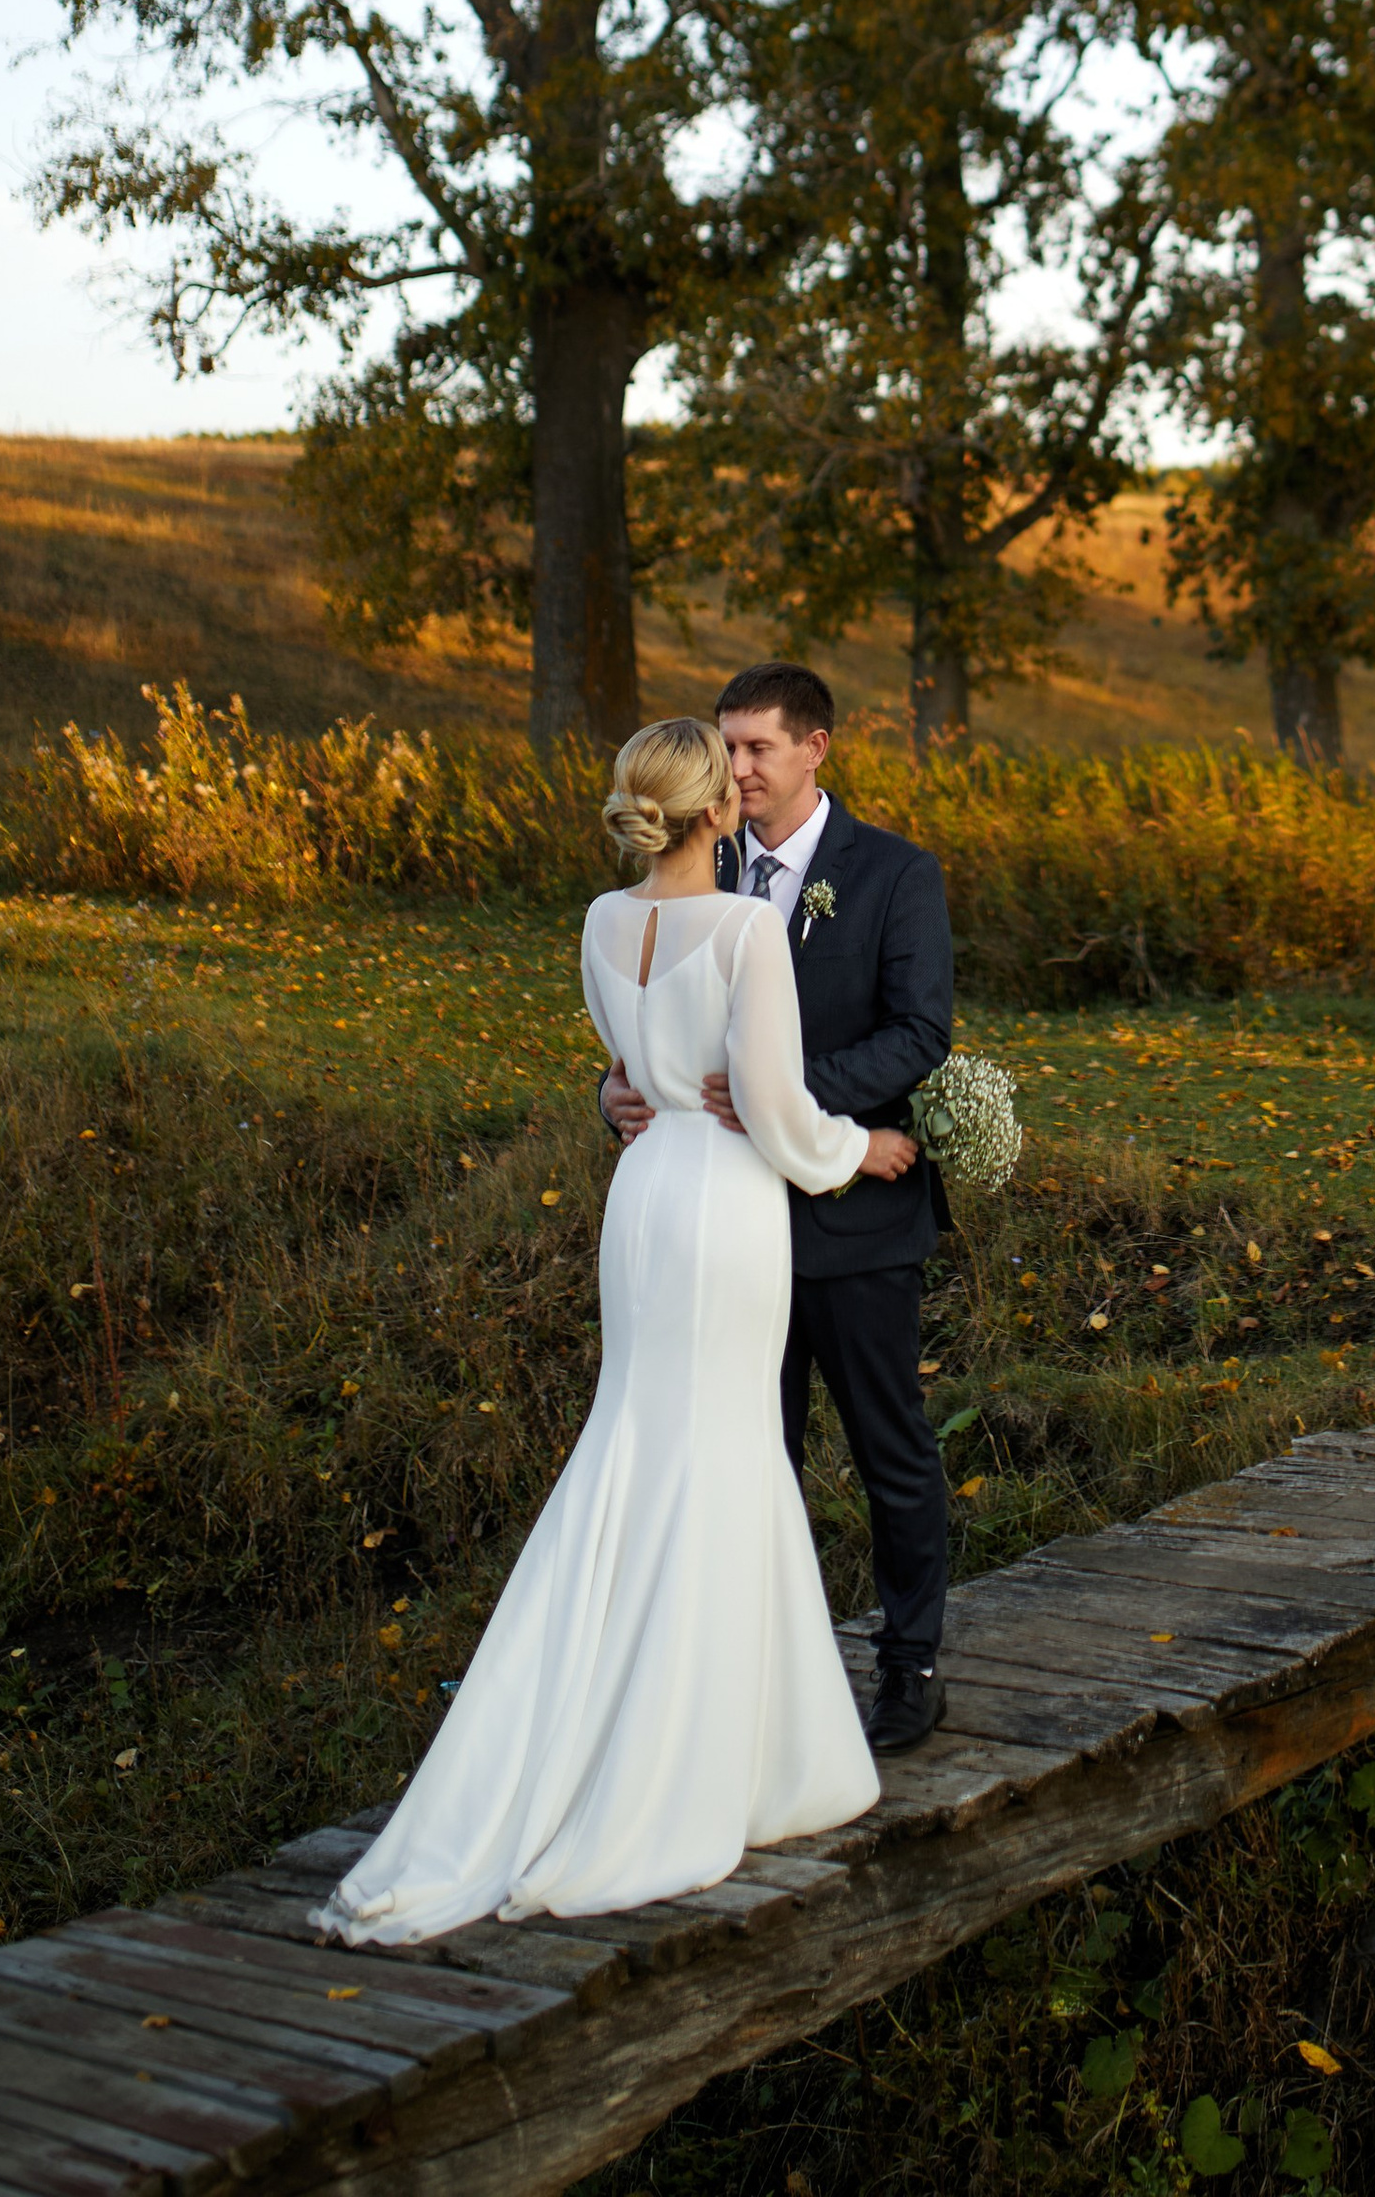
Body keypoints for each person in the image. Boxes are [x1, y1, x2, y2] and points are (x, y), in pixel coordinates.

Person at [312, 718, 914, 1942]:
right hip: (724, 1204)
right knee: (720, 1453)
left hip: (640, 1204)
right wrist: (870, 1148)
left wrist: (615, 1091)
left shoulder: (599, 922)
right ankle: (698, 1763)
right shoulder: (748, 930)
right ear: (717, 814)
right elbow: (777, 1113)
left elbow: (630, 1072)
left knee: (641, 1445)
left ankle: (672, 1733)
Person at [600, 662, 956, 1754]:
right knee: (751, 1458)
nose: (739, 768)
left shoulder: (893, 874)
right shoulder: (689, 879)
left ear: (817, 750)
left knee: (888, 1449)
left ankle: (910, 1665)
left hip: (848, 1217)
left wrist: (785, 1105)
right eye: (728, 747)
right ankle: (753, 1679)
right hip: (717, 1231)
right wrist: (615, 1089)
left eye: (759, 747)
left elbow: (918, 1032)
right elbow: (648, 1027)